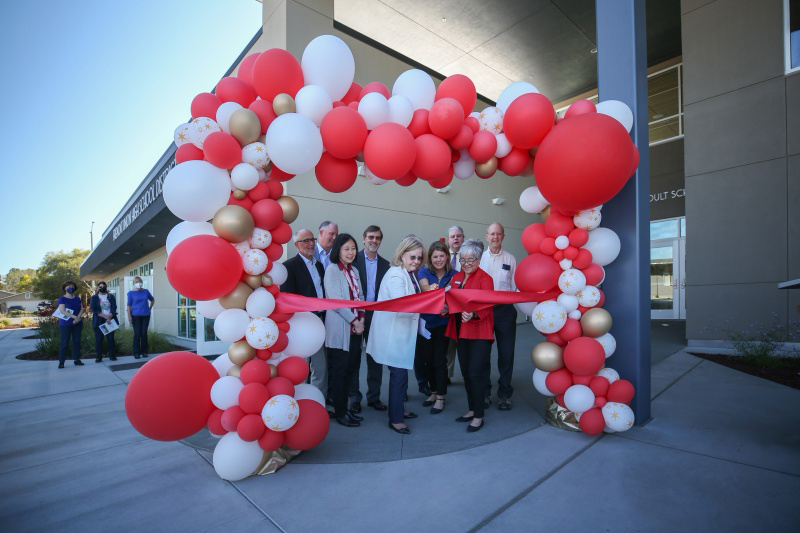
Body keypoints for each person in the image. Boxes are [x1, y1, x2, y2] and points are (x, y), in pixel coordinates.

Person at [367, 236, 425, 435]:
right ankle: (396, 419)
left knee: (402, 374)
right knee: (399, 375)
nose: (416, 261)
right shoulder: (395, 275)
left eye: (419, 258)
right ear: (402, 255)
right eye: (412, 257)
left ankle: (399, 408)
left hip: (403, 333)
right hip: (393, 334)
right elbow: (404, 305)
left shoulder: (408, 274)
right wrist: (430, 302)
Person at [446, 239, 494, 433]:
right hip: (461, 331)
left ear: (479, 260)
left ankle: (479, 416)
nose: (466, 264)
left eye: (471, 260)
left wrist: (474, 314)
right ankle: (472, 408)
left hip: (479, 332)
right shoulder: (456, 277)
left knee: (476, 373)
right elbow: (451, 300)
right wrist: (445, 308)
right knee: (465, 372)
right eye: (463, 260)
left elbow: (488, 304)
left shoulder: (485, 279)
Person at [323, 233, 366, 428]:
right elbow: (335, 302)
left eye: (353, 248)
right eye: (346, 249)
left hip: (356, 330)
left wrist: (362, 319)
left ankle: (346, 408)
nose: (351, 252)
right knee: (339, 373)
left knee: (351, 371)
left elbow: (361, 297)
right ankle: (340, 412)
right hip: (340, 331)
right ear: (338, 250)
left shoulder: (354, 271)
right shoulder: (332, 270)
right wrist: (355, 321)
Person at [282, 229, 328, 400]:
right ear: (296, 245)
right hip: (301, 324)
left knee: (320, 367)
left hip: (320, 321)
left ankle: (318, 401)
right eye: (306, 240)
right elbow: (288, 299)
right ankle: (299, 401)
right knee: (300, 367)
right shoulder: (289, 267)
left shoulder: (319, 265)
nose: (310, 243)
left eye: (312, 240)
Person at [351, 225, 390, 413]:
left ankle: (374, 397)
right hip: (356, 315)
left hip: (377, 315)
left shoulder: (386, 265)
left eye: (378, 238)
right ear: (364, 239)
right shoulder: (353, 260)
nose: (374, 241)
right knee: (354, 358)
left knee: (375, 358)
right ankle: (354, 398)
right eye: (371, 237)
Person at [479, 223, 518, 410]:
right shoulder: (479, 259)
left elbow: (516, 286)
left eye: (499, 234)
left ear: (503, 237)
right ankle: (485, 393)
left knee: (506, 353)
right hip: (484, 311)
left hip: (505, 312)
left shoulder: (510, 259)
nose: (495, 237)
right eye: (492, 234)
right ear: (487, 236)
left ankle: (504, 394)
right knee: (483, 353)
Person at [416, 241, 455, 414]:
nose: (438, 260)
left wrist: (449, 307)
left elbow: (456, 297)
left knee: (439, 359)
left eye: (441, 256)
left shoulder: (455, 275)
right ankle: (433, 392)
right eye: (435, 256)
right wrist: (430, 289)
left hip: (443, 324)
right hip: (425, 323)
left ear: (447, 256)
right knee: (427, 360)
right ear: (430, 258)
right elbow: (424, 286)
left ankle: (440, 397)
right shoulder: (424, 271)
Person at [445, 225, 466, 380]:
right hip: (447, 308)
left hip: (465, 308)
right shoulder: (443, 256)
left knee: (465, 345)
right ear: (448, 240)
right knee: (448, 345)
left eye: (459, 236)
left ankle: (468, 376)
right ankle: (446, 376)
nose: (456, 239)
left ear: (463, 238)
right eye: (453, 236)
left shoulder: (469, 256)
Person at [56, 280, 85, 368]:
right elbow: (62, 311)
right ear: (64, 288)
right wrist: (74, 317)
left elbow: (82, 309)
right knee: (64, 342)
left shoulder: (77, 298)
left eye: (72, 286)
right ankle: (61, 361)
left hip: (77, 323)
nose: (70, 288)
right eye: (68, 286)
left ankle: (76, 359)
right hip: (65, 324)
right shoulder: (62, 299)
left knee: (76, 342)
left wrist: (78, 318)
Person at [127, 277, 154, 360]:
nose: (139, 283)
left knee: (144, 333)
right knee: (137, 334)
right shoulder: (130, 293)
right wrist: (129, 316)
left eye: (140, 281)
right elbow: (129, 306)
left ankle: (145, 352)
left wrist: (149, 308)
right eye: (137, 281)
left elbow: (152, 300)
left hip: (145, 315)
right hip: (135, 315)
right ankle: (136, 353)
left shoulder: (146, 291)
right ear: (134, 283)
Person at [89, 281, 117, 363]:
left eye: (103, 286)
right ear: (98, 288)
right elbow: (93, 309)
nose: (102, 288)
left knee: (111, 339)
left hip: (110, 320)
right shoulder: (94, 298)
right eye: (100, 287)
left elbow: (114, 307)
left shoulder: (111, 297)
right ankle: (99, 356)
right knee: (99, 339)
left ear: (106, 287)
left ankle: (112, 355)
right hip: (99, 320)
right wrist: (105, 317)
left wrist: (110, 316)